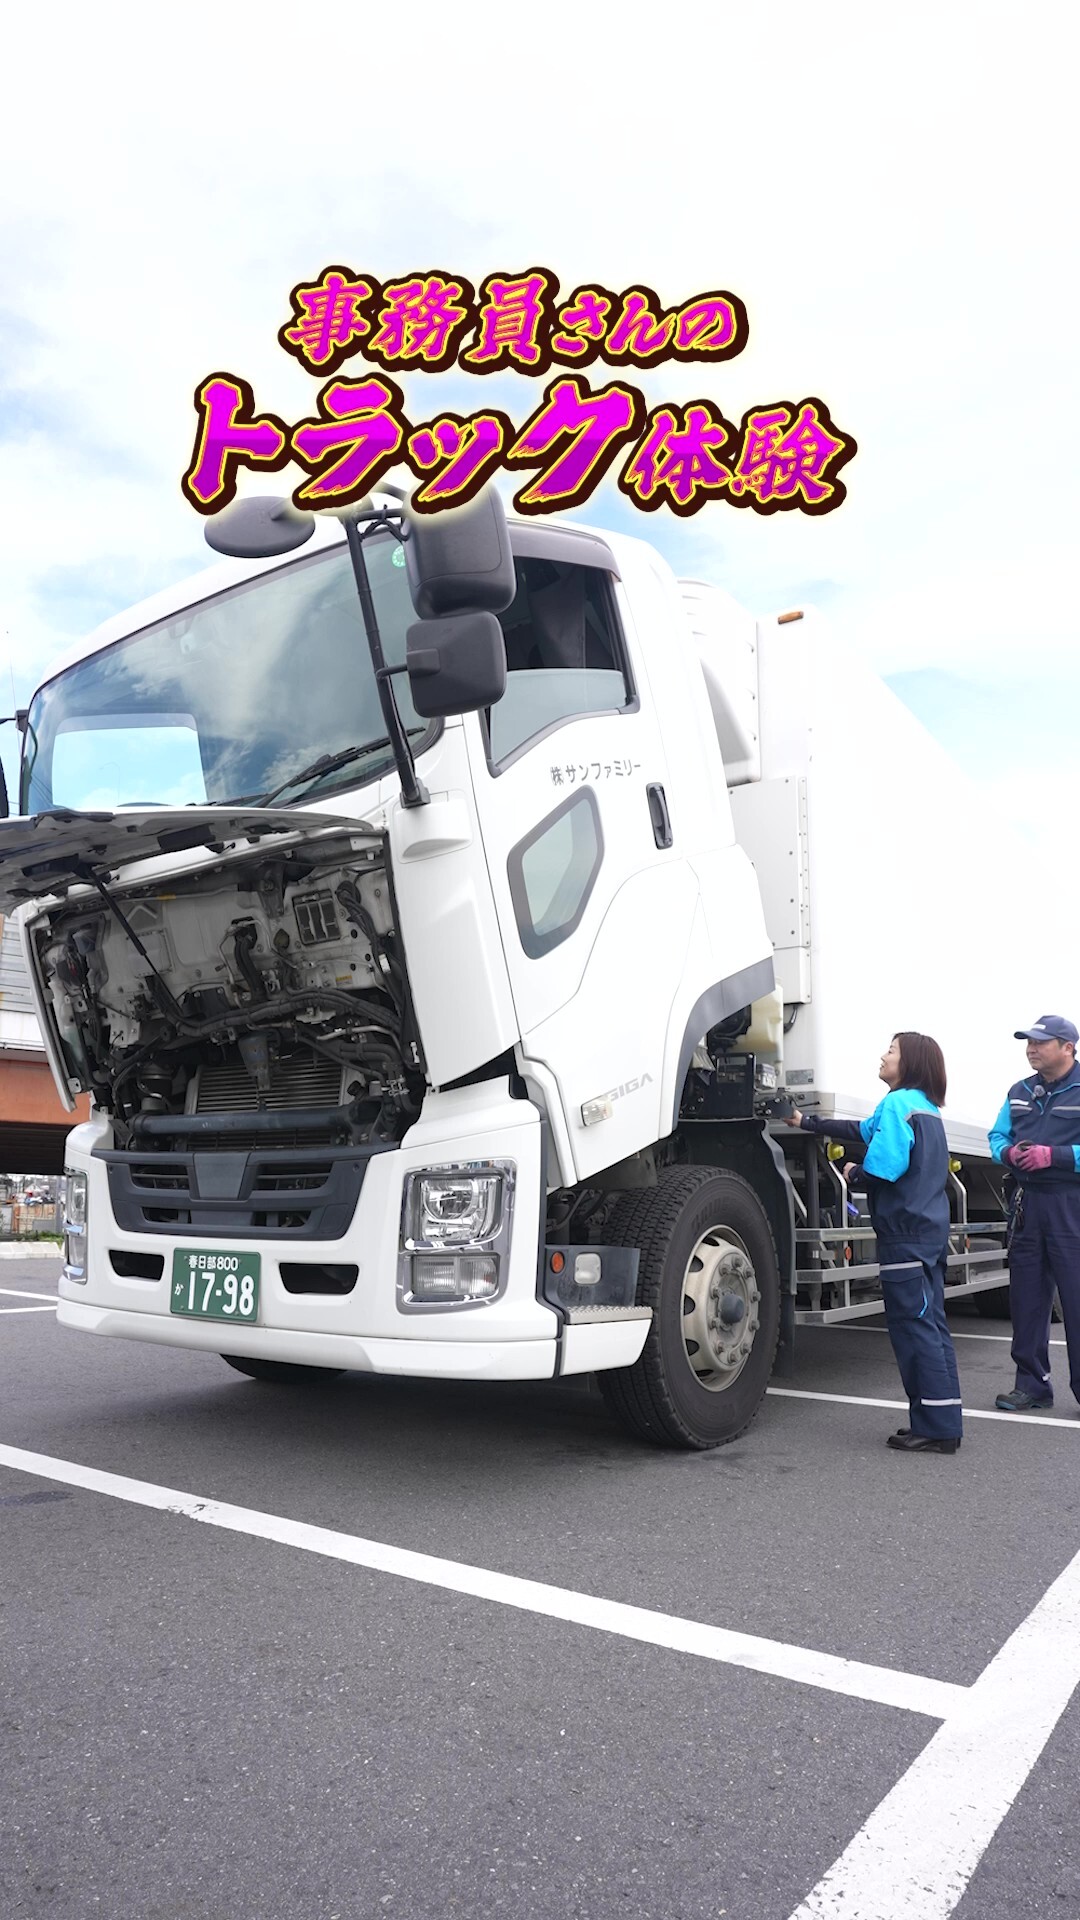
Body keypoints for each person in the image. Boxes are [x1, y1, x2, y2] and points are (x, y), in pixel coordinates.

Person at [790, 1033, 963, 1454]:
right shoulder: (924, 1108)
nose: (884, 1056)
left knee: (913, 1329)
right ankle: (941, 1419)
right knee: (931, 1325)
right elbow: (860, 1129)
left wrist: (853, 1173)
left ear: (911, 1062)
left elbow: (885, 1167)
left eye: (892, 1050)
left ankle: (935, 1429)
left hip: (905, 1235)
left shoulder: (898, 1104)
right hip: (927, 1232)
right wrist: (807, 1122)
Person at [988, 1015, 1080, 1413]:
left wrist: (1055, 1156)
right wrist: (1009, 1153)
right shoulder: (1019, 1091)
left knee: (1076, 1300)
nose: (1031, 1048)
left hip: (1071, 1204)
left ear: (1068, 1048)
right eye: (1028, 1042)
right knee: (1026, 1301)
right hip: (1028, 1206)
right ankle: (1032, 1387)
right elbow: (996, 1136)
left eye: (1041, 1042)